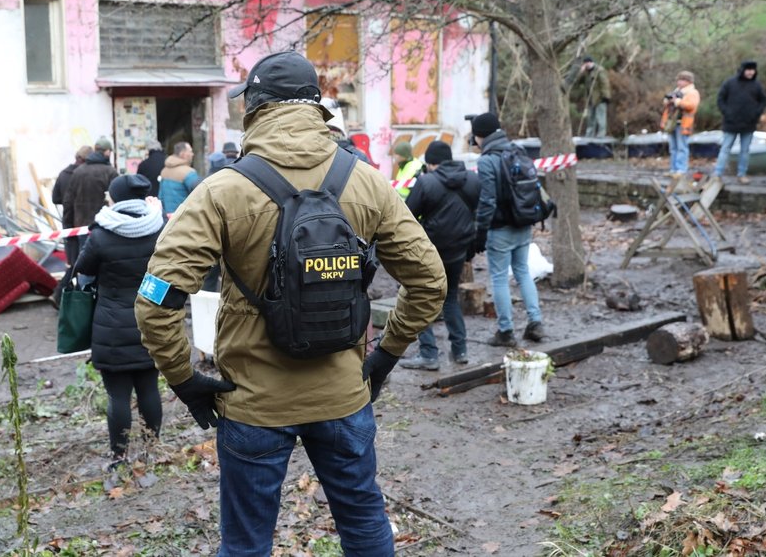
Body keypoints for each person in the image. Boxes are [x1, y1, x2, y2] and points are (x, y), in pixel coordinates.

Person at [135, 50, 445, 557]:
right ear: (316, 109)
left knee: (246, 545)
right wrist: (384, 357)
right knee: (365, 526)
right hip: (345, 397)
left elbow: (156, 299)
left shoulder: (222, 191)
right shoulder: (366, 181)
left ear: (255, 109)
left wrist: (185, 378)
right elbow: (429, 281)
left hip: (253, 402)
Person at [74, 174, 166, 471]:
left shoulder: (101, 235)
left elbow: (82, 273)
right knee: (150, 389)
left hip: (111, 327)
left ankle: (118, 457)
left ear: (116, 198)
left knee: (117, 396)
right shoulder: (158, 228)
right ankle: (151, 449)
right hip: (151, 321)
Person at [398, 140, 479, 370]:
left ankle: (429, 354)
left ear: (431, 163)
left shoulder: (426, 182)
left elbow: (407, 215)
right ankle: (460, 350)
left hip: (430, 252)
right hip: (458, 251)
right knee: (450, 298)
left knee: (419, 298)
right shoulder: (472, 179)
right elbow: (478, 212)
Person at [472, 113, 545, 347]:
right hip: (523, 222)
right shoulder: (517, 150)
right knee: (523, 271)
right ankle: (536, 322)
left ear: (479, 136)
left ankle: (505, 331)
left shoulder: (486, 161)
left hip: (500, 228)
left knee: (500, 278)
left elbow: (487, 202)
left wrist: (480, 232)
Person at [53, 137, 119, 305]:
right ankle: (102, 301)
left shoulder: (79, 171)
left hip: (82, 227)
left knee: (84, 267)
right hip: (106, 228)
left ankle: (84, 302)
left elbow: (68, 202)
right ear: (107, 152)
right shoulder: (110, 172)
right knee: (105, 267)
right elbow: (118, 200)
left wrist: (68, 229)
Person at [714, 61, 766, 184]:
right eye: (748, 70)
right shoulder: (730, 83)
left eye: (752, 70)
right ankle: (717, 173)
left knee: (745, 150)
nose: (750, 72)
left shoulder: (757, 85)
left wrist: (756, 114)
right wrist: (727, 113)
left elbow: (763, 101)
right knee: (725, 148)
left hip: (749, 123)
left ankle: (742, 174)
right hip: (731, 122)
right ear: (743, 70)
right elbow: (720, 99)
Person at [51, 144, 91, 270]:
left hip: (69, 218)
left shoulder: (63, 174)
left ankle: (72, 283)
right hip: (86, 219)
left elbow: (55, 198)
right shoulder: (87, 174)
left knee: (72, 259)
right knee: (85, 258)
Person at [660, 71, 701, 177]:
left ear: (688, 81)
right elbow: (667, 107)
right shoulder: (676, 91)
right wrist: (668, 101)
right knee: (673, 148)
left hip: (684, 124)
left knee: (682, 147)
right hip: (672, 123)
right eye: (679, 80)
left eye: (682, 80)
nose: (679, 82)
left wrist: (678, 102)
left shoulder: (692, 92)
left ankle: (681, 170)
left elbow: (692, 105)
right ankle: (673, 170)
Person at [570, 56, 611, 138]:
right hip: (590, 99)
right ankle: (589, 135)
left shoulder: (599, 71)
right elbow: (577, 82)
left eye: (588, 63)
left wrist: (606, 96)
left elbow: (605, 84)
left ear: (591, 62)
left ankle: (601, 135)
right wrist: (580, 72)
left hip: (600, 98)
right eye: (585, 63)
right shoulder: (585, 72)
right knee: (590, 118)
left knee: (600, 117)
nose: (587, 65)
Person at [158, 141, 201, 213]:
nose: (192, 154)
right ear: (183, 154)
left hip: (168, 217)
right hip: (184, 217)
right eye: (190, 151)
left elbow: (160, 197)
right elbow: (200, 196)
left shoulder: (164, 171)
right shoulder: (188, 173)